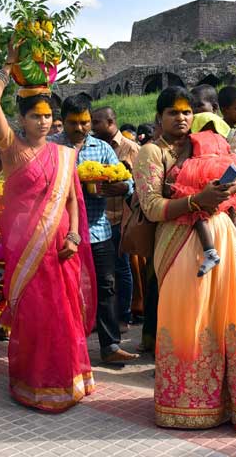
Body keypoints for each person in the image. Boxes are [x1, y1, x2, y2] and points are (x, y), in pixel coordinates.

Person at [134, 86, 236, 429]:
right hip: (180, 245)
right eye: (172, 112)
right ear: (159, 116)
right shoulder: (151, 152)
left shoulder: (206, 140)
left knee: (229, 320)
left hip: (221, 237)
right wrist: (197, 201)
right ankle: (187, 406)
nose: (181, 118)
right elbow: (151, 208)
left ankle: (235, 402)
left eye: (185, 112)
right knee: (189, 322)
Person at [0, 56, 97, 412]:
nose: (44, 121)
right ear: (22, 119)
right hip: (27, 246)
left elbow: (72, 200)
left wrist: (75, 236)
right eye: (36, 115)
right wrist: (8, 65)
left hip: (62, 244)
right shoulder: (12, 149)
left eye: (49, 116)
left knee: (64, 312)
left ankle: (67, 378)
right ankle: (33, 380)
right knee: (35, 314)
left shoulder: (64, 154)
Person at [50, 95, 138, 363]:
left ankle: (110, 347)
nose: (80, 128)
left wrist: (120, 187)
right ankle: (65, 348)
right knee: (63, 290)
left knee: (106, 287)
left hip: (98, 230)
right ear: (63, 121)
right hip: (62, 233)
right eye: (73, 123)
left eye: (85, 122)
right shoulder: (51, 148)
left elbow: (127, 183)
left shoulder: (102, 148)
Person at [170, 114, 236, 277]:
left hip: (199, 172)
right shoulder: (222, 139)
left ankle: (210, 252)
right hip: (224, 168)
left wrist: (174, 174)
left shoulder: (193, 138)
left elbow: (182, 160)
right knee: (232, 210)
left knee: (198, 213)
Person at [91, 106, 139, 331]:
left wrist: (124, 187)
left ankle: (123, 316)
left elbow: (141, 184)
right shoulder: (94, 147)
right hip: (99, 219)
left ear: (110, 122)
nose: (91, 126)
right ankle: (102, 317)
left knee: (121, 269)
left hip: (122, 217)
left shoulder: (131, 149)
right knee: (101, 273)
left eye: (96, 122)